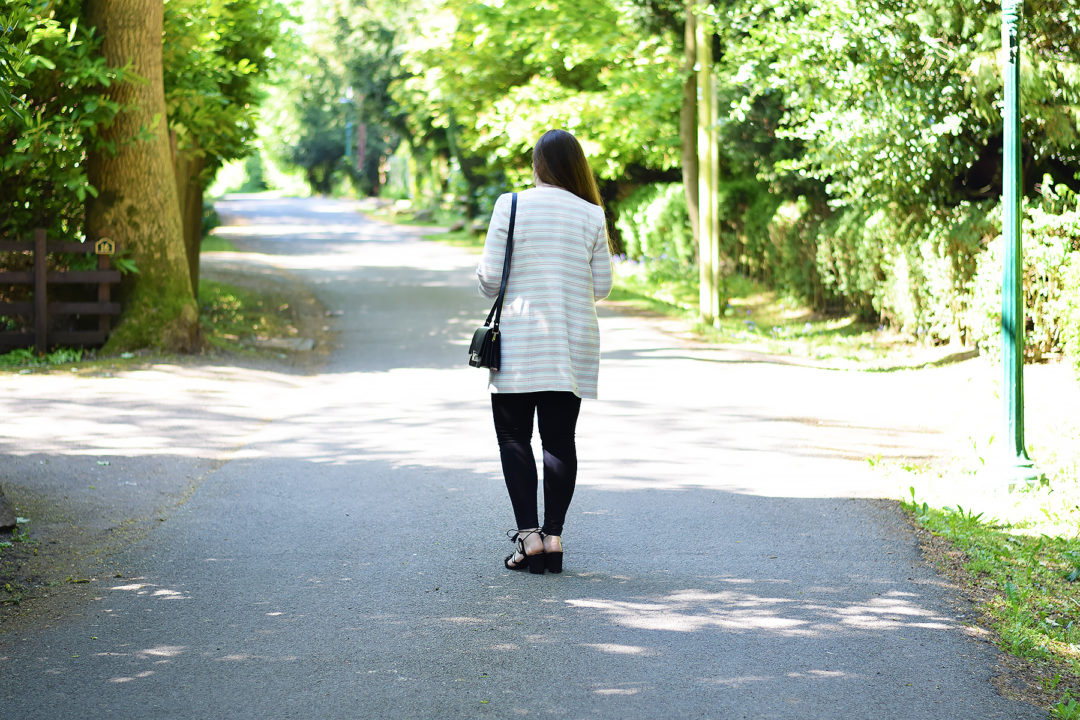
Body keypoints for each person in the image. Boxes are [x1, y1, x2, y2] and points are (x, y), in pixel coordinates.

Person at [476, 129, 613, 575]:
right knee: (559, 440)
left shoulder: (510, 205)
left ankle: (529, 539)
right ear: (577, 167)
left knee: (514, 438)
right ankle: (554, 537)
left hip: (518, 340)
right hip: (571, 342)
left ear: (537, 165)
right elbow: (603, 287)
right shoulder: (592, 213)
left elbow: (490, 281)